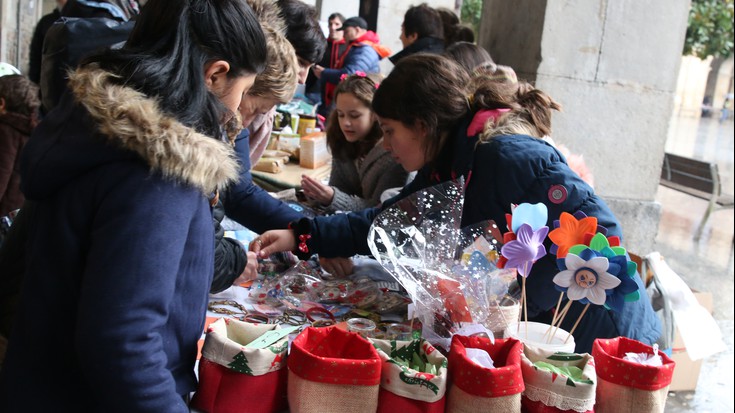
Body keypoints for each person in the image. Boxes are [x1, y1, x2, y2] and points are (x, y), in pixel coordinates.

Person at [251, 53, 660, 353]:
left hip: (605, 336)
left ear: (423, 126)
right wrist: (300, 236)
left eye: (391, 131)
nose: (386, 144)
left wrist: (507, 305)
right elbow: (386, 223)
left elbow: (602, 236)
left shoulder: (506, 157)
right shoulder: (448, 168)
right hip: (545, 337)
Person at [0, 1, 266, 412]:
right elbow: (124, 343)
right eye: (243, 93)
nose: (238, 113)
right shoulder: (157, 170)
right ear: (215, 74)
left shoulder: (93, 129)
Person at [211, 0, 300, 294]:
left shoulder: (225, 122)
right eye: (256, 107)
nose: (248, 121)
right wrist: (232, 259)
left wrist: (313, 231)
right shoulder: (217, 124)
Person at [301, 73, 408, 213]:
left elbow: (379, 210)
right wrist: (319, 196)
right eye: (340, 114)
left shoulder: (394, 154)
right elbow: (339, 188)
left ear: (375, 114)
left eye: (354, 115)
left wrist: (332, 198)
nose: (345, 123)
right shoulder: (341, 139)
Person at [311, 16, 391, 107]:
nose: (344, 36)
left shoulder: (365, 50)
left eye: (346, 32)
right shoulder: (359, 48)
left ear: (357, 30)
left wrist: (324, 73)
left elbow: (350, 74)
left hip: (359, 99)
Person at [0, 75, 40, 217]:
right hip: (21, 211)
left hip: (4, 212)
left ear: (1, 103)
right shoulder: (36, 129)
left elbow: (2, 173)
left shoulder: (5, 131)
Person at [28, 0, 67, 84]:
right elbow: (36, 56)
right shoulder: (46, 22)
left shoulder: (86, 20)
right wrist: (34, 83)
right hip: (50, 82)